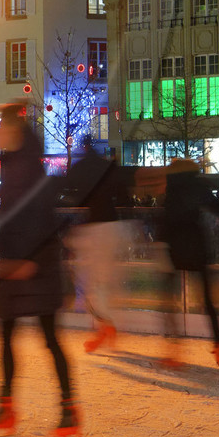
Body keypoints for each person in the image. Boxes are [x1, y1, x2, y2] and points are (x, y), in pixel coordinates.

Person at [0, 112, 78, 437]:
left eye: (0, 128)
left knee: (50, 338)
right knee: (6, 335)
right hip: (15, 264)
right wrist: (1, 256)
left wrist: (29, 261)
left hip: (36, 265)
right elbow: (9, 220)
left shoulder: (30, 169)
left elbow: (42, 218)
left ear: (15, 131)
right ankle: (6, 407)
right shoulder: (14, 165)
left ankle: (69, 409)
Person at [160, 157, 219, 373]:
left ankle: (174, 350)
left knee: (168, 301)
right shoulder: (199, 186)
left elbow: (166, 218)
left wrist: (159, 241)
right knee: (207, 301)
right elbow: (217, 208)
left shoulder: (172, 188)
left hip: (175, 247)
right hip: (196, 245)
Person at [64, 136, 131, 355]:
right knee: (102, 281)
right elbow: (123, 193)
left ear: (83, 147)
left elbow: (70, 193)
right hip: (111, 227)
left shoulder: (81, 167)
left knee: (90, 282)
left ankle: (105, 325)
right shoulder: (106, 166)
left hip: (93, 229)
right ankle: (105, 326)